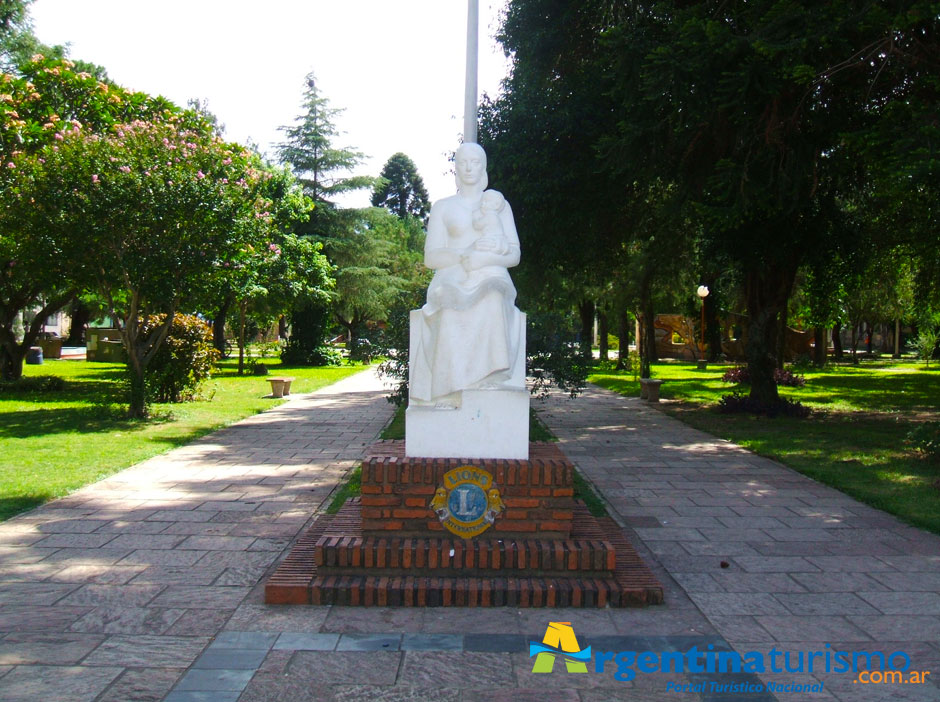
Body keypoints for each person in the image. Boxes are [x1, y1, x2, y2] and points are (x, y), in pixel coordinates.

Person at [409, 142, 524, 407]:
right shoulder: (443, 207)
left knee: (493, 297)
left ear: (484, 167)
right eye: (464, 162)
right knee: (450, 306)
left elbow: (514, 254)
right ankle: (448, 388)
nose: (470, 167)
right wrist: (465, 253)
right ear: (456, 168)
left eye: (476, 162)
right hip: (451, 277)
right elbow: (432, 258)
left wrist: (483, 258)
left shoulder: (499, 205)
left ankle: (490, 376)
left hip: (492, 275)